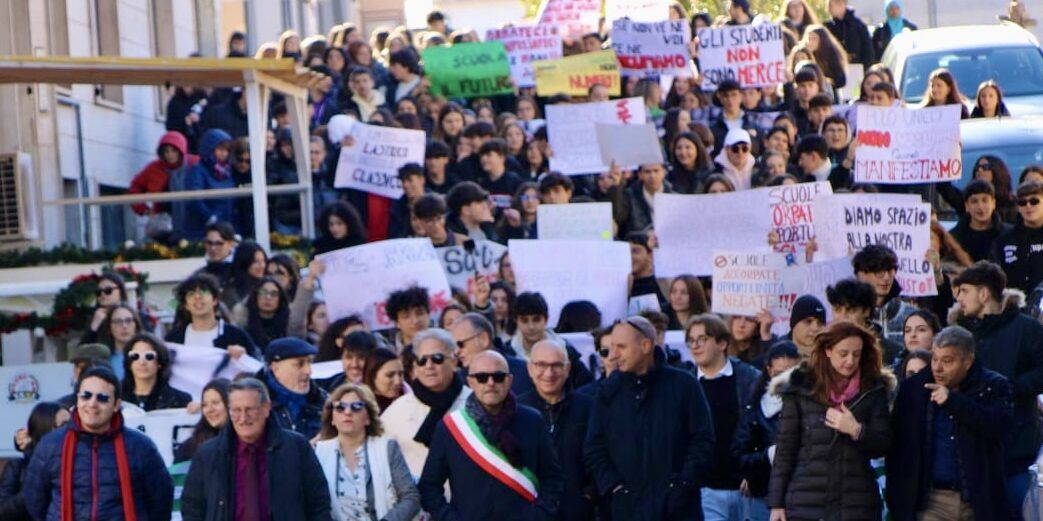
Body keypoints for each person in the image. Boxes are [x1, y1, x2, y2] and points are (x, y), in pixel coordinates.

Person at [585, 316, 715, 521]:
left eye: (621, 347)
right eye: (611, 347)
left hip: (679, 510)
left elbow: (702, 440)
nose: (614, 355)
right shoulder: (609, 391)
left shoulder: (684, 385)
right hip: (626, 511)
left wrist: (682, 485)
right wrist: (615, 487)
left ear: (645, 346)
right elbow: (594, 446)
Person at [887, 326, 1015, 521]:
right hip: (931, 501)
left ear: (968, 361)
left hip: (977, 502)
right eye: (935, 359)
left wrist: (954, 402)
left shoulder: (993, 385)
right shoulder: (914, 389)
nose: (937, 368)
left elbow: (999, 426)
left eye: (947, 361)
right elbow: (898, 448)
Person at [768, 321, 893, 520]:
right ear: (828, 350)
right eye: (843, 354)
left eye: (856, 354)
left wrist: (856, 430)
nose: (850, 361)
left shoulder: (872, 390)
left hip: (856, 503)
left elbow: (883, 444)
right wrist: (776, 503)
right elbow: (785, 450)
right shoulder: (801, 388)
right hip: (806, 501)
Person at [419, 350, 564, 519]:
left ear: (509, 380)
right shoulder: (450, 427)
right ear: (470, 382)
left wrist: (539, 514)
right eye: (482, 377)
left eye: (498, 377)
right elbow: (429, 486)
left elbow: (552, 478)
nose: (490, 383)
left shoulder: (533, 421)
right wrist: (450, 517)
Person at [23, 367, 174, 521]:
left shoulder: (140, 447)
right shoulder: (50, 445)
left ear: (116, 405)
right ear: (77, 400)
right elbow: (35, 501)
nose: (92, 404)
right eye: (86, 396)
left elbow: (161, 501)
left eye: (102, 398)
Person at [952, 261, 1043, 511]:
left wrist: (1011, 386)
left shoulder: (1027, 328)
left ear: (983, 294)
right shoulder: (962, 333)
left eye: (965, 291)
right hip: (974, 453)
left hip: (1018, 450)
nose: (959, 298)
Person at [181, 378, 331, 521]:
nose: (243, 418)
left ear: (266, 408)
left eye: (250, 409)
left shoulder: (296, 448)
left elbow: (318, 502)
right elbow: (192, 506)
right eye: (236, 410)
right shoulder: (208, 454)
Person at [684, 314, 761, 521]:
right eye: (691, 340)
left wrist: (754, 473)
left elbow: (762, 429)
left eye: (702, 339)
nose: (695, 346)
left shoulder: (750, 378)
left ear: (722, 343)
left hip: (746, 486)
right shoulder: (685, 383)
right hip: (705, 489)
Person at [314, 383, 421, 521]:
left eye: (356, 406)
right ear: (332, 418)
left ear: (368, 418)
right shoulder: (319, 452)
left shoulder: (387, 448)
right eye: (340, 407)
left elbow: (411, 498)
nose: (347, 412)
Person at [518, 340, 596, 520]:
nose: (549, 373)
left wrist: (589, 495)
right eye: (541, 365)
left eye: (556, 365)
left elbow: (599, 454)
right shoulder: (516, 410)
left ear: (567, 369)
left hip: (578, 513)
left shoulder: (588, 408)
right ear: (530, 369)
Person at [381, 328, 471, 476]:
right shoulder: (397, 410)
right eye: (422, 361)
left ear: (454, 362)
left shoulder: (473, 403)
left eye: (437, 358)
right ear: (415, 367)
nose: (429, 366)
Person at [732, 342, 803, 521]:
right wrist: (768, 456)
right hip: (764, 494)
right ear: (769, 371)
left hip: (802, 495)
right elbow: (739, 456)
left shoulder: (811, 403)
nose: (786, 381)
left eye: (791, 373)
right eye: (779, 374)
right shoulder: (756, 407)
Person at [505, 292, 594, 388]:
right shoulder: (507, 352)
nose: (531, 327)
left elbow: (587, 385)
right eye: (524, 320)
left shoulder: (566, 350)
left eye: (536, 319)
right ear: (516, 321)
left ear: (546, 319)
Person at [0, 402, 69, 520]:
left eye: (71, 424)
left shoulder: (79, 460)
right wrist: (32, 489)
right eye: (63, 425)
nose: (69, 430)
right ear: (44, 429)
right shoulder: (18, 466)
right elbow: (3, 511)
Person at [166, 273, 260, 359]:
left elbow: (256, 365)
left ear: (215, 300)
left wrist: (243, 356)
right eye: (191, 294)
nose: (197, 297)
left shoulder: (236, 335)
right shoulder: (174, 338)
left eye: (204, 291)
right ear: (186, 305)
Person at [256, 337, 328, 440]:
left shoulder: (323, 401)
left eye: (309, 362)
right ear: (276, 368)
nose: (308, 371)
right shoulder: (255, 404)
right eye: (299, 364)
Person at [451, 312, 535, 396]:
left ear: (484, 339)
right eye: (454, 346)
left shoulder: (524, 372)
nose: (456, 352)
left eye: (460, 344)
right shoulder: (457, 381)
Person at [826, 278, 904, 365]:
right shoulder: (823, 348)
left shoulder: (894, 353)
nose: (843, 317)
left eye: (851, 310)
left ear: (866, 311)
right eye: (837, 310)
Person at [853, 244, 916, 346]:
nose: (886, 277)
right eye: (879, 272)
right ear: (861, 274)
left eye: (890, 271)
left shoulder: (912, 315)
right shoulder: (850, 315)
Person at [183, 128, 237, 240]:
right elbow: (194, 199)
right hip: (201, 230)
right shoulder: (197, 170)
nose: (224, 153)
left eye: (227, 150)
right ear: (209, 148)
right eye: (220, 149)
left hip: (226, 228)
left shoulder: (228, 171)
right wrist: (210, 218)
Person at [992, 180, 1043, 293]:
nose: (1028, 206)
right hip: (1013, 301)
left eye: (1034, 201)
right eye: (1022, 202)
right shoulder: (1004, 239)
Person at [121, 332, 192, 411]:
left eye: (149, 356)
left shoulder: (181, 400)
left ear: (159, 362)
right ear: (129, 363)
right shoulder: (117, 398)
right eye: (135, 356)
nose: (142, 362)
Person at [951, 180, 1013, 262]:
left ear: (993, 203)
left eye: (985, 200)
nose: (980, 206)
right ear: (967, 206)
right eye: (974, 201)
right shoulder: (954, 238)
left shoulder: (1009, 234)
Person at [175, 378, 231, 463]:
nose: (209, 409)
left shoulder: (244, 441)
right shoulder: (189, 447)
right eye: (204, 405)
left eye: (215, 403)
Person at [233, 276, 290, 349]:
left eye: (274, 294)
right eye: (263, 292)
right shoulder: (243, 321)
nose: (268, 297)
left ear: (280, 299)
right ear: (256, 295)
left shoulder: (288, 324)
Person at [627, 231, 670, 313]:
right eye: (626, 252)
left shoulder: (661, 283)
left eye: (635, 251)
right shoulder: (621, 287)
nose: (630, 256)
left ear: (650, 255)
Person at [825, 0, 875, 67]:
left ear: (841, 4)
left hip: (856, 69)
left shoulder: (858, 26)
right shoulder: (828, 27)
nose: (828, 9)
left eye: (831, 5)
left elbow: (868, 54)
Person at [384, 285, 432, 352]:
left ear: (428, 315)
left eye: (420, 313)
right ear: (397, 322)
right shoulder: (390, 354)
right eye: (406, 316)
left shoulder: (445, 345)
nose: (415, 321)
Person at [363, 347, 408, 412]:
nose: (397, 381)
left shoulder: (411, 401)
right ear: (373, 376)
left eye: (400, 374)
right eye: (390, 375)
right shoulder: (358, 405)